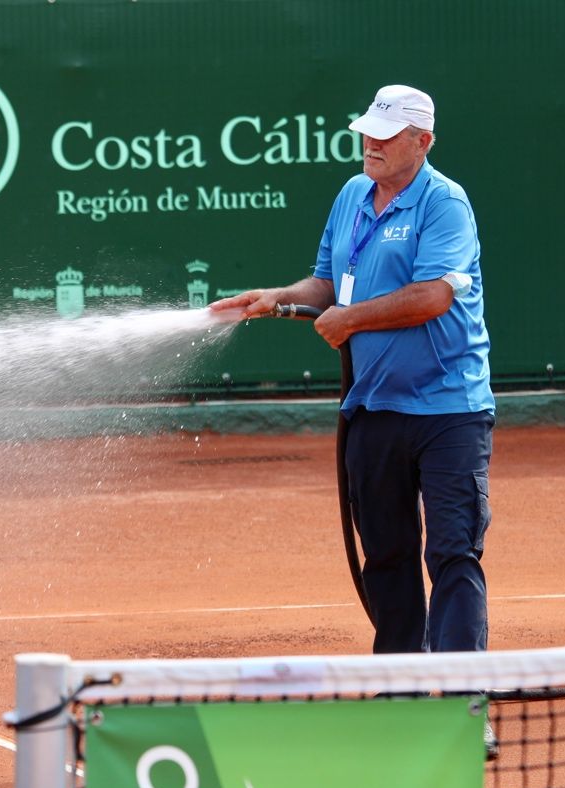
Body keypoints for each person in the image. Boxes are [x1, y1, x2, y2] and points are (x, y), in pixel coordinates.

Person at [210, 85, 495, 660]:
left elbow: (433, 297)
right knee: (386, 555)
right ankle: (399, 687)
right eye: (368, 131)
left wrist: (350, 322)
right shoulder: (351, 196)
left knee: (452, 552)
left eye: (386, 136)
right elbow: (327, 284)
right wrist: (277, 296)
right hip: (374, 408)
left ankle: (463, 698)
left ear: (423, 141)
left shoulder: (446, 204)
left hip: (449, 410)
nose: (372, 144)